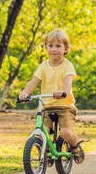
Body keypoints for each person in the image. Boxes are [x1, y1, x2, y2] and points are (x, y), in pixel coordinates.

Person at [18, 29, 84, 164]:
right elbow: (34, 81)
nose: (54, 49)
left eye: (58, 46)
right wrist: (25, 93)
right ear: (46, 47)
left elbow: (68, 81)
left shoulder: (67, 65)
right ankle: (45, 152)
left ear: (66, 49)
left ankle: (75, 146)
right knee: (42, 133)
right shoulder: (43, 66)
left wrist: (63, 91)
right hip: (47, 106)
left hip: (65, 106)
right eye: (51, 46)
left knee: (65, 132)